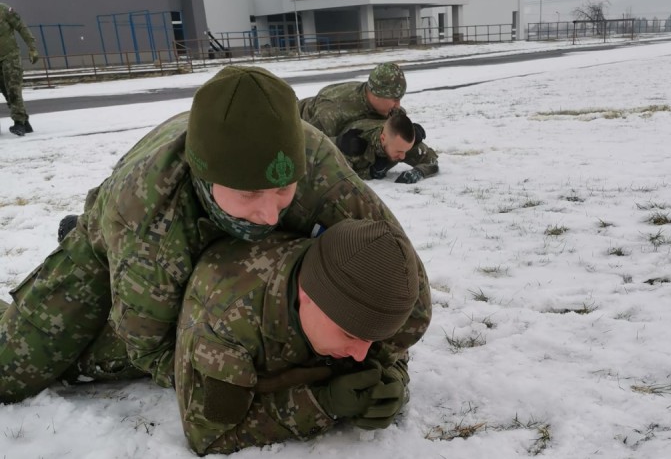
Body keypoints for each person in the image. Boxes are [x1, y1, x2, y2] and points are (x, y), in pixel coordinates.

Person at [0, 65, 408, 403]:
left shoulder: (314, 165)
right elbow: (154, 352)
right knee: (16, 372)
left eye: (284, 190)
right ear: (206, 178)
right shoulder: (146, 219)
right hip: (117, 238)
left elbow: (398, 268)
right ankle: (91, 251)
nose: (270, 214)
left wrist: (385, 369)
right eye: (249, 193)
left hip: (178, 239)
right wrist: (285, 385)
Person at [175, 219, 431, 455]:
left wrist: (394, 377)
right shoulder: (227, 329)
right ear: (306, 294)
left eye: (372, 339)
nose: (361, 354)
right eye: (349, 334)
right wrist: (322, 404)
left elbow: (391, 348)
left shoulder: (349, 296)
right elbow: (209, 437)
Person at [297, 62, 406, 137]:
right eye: (395, 100)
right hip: (296, 121)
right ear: (377, 94)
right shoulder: (332, 111)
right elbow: (310, 143)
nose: (397, 106)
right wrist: (340, 142)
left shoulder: (382, 105)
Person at [335, 109, 439, 183]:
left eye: (405, 151)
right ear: (383, 139)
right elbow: (339, 176)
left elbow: (431, 160)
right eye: (399, 151)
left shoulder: (401, 143)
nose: (403, 156)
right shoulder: (355, 145)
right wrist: (370, 173)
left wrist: (418, 172)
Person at [0, 2, 39, 136]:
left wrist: (32, 47)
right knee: (6, 92)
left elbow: (21, 27)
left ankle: (19, 123)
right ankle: (25, 122)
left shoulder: (4, 10)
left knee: (13, 90)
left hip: (10, 57)